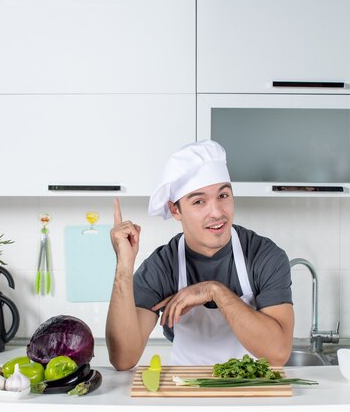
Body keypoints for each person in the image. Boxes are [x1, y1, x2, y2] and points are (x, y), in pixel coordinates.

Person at [106, 140, 294, 370]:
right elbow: (123, 359)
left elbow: (278, 354)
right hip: (186, 396)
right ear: (175, 210)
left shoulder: (264, 257)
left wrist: (215, 291)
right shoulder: (164, 266)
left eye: (223, 196)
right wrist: (124, 266)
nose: (217, 212)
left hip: (249, 395)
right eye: (199, 201)